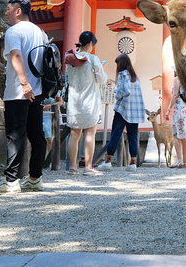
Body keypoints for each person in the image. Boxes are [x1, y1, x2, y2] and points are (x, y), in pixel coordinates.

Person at [0, 0, 49, 193]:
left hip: (19, 91)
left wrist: (24, 84)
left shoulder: (13, 31)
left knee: (15, 136)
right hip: (39, 91)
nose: (6, 12)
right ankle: (35, 178)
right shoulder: (40, 31)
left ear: (18, 11)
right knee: (36, 135)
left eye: (8, 9)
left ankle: (11, 181)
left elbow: (15, 55)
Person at [64, 30, 107, 175]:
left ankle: (72, 166)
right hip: (90, 101)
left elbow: (67, 79)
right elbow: (102, 79)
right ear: (90, 44)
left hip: (74, 102)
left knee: (74, 134)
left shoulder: (70, 58)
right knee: (90, 134)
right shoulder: (93, 60)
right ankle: (88, 167)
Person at [97, 54, 145, 172]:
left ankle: (108, 161)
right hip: (135, 111)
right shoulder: (135, 76)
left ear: (121, 64)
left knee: (115, 134)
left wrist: (116, 91)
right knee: (133, 136)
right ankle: (132, 162)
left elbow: (125, 91)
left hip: (123, 109)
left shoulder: (122, 74)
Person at [165, 72, 186, 168]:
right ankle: (184, 162)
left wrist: (168, 110)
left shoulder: (177, 79)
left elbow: (175, 95)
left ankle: (179, 160)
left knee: (176, 135)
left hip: (179, 108)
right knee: (185, 136)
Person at [42, 97, 56, 163]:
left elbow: (60, 102)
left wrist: (50, 106)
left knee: (49, 139)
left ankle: (49, 160)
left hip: (49, 115)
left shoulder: (56, 90)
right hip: (38, 112)